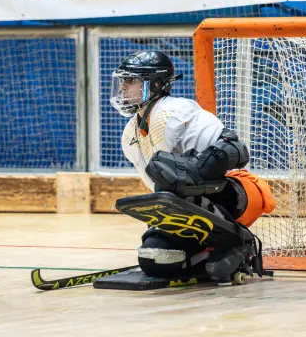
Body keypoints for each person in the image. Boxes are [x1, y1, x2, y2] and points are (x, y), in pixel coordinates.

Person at [110, 50, 276, 281]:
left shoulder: (175, 111)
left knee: (166, 169)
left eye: (131, 81)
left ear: (155, 84)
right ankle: (206, 254)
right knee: (154, 258)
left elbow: (233, 148)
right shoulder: (130, 134)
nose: (123, 87)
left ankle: (238, 242)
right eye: (122, 81)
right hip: (188, 210)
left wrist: (187, 172)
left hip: (236, 196)